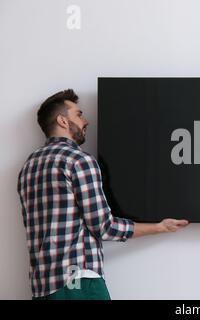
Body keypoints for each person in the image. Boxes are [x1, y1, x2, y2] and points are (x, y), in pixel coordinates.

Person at [17, 89, 189, 300]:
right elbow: (103, 226)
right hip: (78, 283)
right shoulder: (78, 161)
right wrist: (160, 227)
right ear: (62, 120)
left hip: (42, 286)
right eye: (78, 114)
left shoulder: (29, 166)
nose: (85, 120)